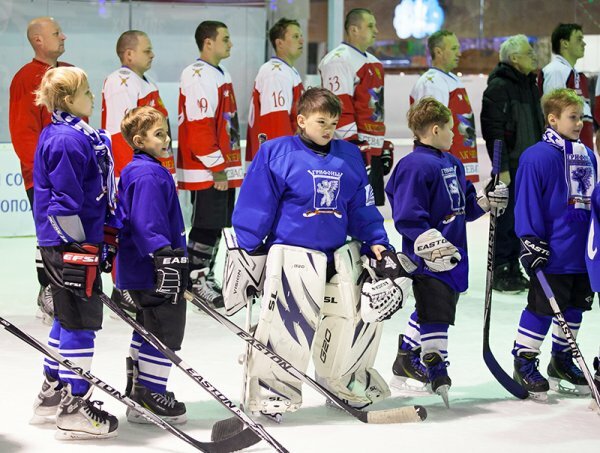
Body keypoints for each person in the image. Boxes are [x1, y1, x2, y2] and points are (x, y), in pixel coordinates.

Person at [230, 87, 401, 419]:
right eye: (321, 121)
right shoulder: (276, 153)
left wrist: (377, 241)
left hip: (338, 256)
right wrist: (250, 253)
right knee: (289, 325)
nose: (328, 129)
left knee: (356, 315)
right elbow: (255, 206)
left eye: (333, 123)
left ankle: (345, 381)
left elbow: (362, 208)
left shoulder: (349, 156)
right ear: (301, 120)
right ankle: (273, 390)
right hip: (293, 255)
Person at [385, 97, 507, 405]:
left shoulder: (451, 162)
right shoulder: (413, 165)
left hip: (454, 254)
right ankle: (435, 364)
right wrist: (426, 241)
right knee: (437, 310)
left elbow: (464, 208)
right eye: (451, 128)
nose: (455, 134)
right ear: (435, 129)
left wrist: (487, 201)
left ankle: (405, 356)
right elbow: (407, 214)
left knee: (436, 306)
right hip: (428, 258)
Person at [30, 66, 118, 439]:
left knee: (65, 319)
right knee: (81, 323)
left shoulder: (75, 134)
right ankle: (74, 405)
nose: (93, 97)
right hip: (71, 243)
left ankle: (52, 393)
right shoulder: (68, 140)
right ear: (68, 100)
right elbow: (64, 206)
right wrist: (83, 248)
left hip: (69, 241)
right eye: (86, 91)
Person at [512, 88, 595, 401]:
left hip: (581, 251)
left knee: (575, 307)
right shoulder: (536, 157)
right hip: (553, 251)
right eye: (573, 118)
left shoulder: (585, 155)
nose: (578, 124)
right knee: (542, 308)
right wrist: (530, 239)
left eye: (581, 118)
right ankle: (524, 359)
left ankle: (561, 360)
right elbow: (528, 201)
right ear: (552, 119)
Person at [115, 106, 188, 424]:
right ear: (138, 139)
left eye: (166, 132)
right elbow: (148, 223)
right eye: (159, 134)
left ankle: (139, 389)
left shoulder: (141, 168)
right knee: (163, 330)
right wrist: (164, 257)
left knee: (146, 327)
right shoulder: (147, 174)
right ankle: (150, 396)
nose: (167, 139)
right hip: (153, 270)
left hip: (141, 269)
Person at [101, 30, 176, 313]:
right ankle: (122, 288)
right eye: (147, 50)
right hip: (130, 173)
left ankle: (132, 285)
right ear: (129, 54)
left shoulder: (143, 82)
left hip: (144, 171)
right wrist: (125, 175)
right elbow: (120, 134)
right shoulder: (121, 82)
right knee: (129, 229)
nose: (152, 54)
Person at [9, 16, 71, 324]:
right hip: (46, 178)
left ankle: (66, 289)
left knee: (70, 234)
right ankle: (48, 291)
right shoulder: (26, 78)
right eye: (57, 33)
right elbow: (23, 133)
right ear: (38, 40)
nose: (64, 37)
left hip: (72, 175)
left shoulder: (67, 72)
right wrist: (44, 174)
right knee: (49, 234)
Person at [177, 20, 243, 309]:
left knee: (216, 225)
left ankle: (203, 274)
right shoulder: (198, 74)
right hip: (207, 168)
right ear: (208, 43)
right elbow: (199, 126)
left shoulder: (219, 72)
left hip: (220, 166)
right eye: (225, 39)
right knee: (206, 225)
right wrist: (216, 165)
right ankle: (194, 278)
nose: (230, 44)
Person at [481, 35, 545, 293]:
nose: (534, 56)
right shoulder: (498, 87)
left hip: (530, 165)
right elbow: (493, 130)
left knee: (523, 219)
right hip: (511, 166)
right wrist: (501, 168)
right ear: (514, 58)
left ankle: (514, 266)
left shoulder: (529, 85)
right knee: (506, 219)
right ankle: (500, 269)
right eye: (528, 52)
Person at [318, 8, 393, 206]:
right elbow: (338, 106)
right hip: (352, 149)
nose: (376, 30)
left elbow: (373, 111)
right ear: (353, 30)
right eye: (370, 26)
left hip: (370, 149)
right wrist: (352, 145)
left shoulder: (374, 62)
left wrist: (380, 144)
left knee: (370, 208)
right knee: (352, 206)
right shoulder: (338, 59)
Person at [410, 30, 479, 182]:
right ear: (438, 51)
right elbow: (431, 131)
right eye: (454, 48)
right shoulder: (432, 82)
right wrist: (441, 166)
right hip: (444, 168)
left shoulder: (453, 80)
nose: (459, 53)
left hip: (456, 162)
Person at [246, 18, 304, 163]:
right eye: (296, 36)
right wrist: (287, 160)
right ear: (279, 43)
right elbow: (276, 123)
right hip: (278, 161)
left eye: (301, 36)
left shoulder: (288, 70)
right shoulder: (275, 73)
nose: (301, 41)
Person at [539, 23, 594, 150]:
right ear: (565, 43)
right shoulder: (556, 71)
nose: (584, 44)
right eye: (579, 39)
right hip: (568, 150)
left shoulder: (574, 73)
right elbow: (554, 114)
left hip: (579, 147)